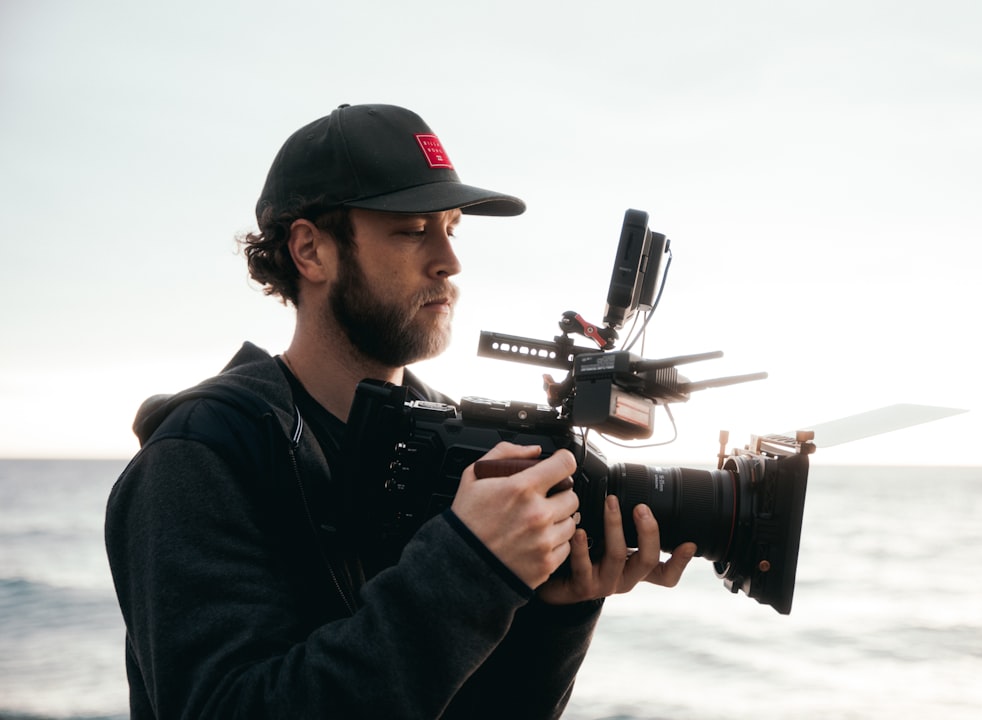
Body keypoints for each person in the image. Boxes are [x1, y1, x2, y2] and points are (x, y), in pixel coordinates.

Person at [105, 103, 697, 719]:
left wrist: (555, 613)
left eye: (451, 228)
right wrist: (470, 567)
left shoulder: (453, 441)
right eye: (414, 229)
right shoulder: (201, 458)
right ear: (310, 250)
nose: (450, 260)